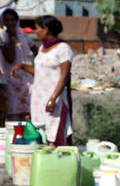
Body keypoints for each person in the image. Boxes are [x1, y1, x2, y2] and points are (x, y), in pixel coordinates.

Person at [11, 15, 73, 146]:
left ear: (46, 30)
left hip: (55, 100)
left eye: (37, 28)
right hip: (39, 99)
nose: (35, 31)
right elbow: (40, 71)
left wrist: (53, 98)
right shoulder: (42, 48)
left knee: (55, 133)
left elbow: (64, 75)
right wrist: (23, 66)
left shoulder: (63, 48)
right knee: (40, 133)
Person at [0, 8, 36, 122]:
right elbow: (10, 58)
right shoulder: (2, 37)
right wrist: (11, 37)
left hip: (26, 80)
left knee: (28, 112)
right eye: (6, 20)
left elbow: (37, 51)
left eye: (12, 20)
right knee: (12, 113)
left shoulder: (24, 36)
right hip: (10, 80)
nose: (10, 23)